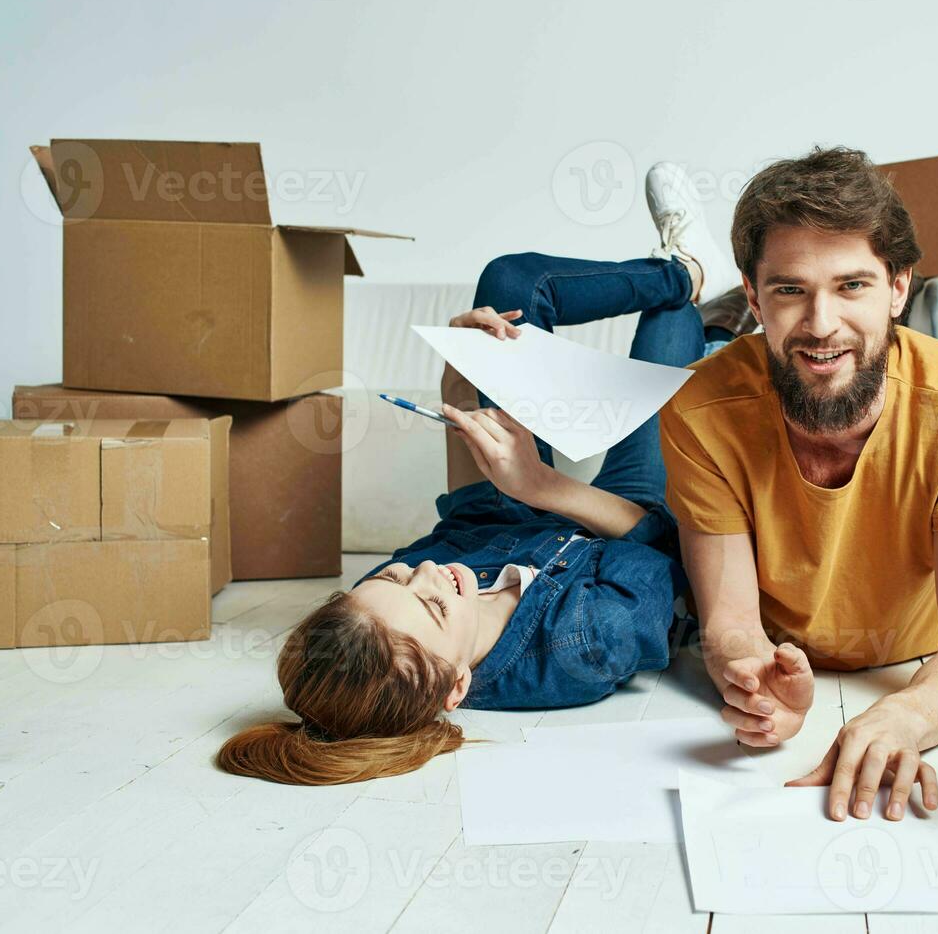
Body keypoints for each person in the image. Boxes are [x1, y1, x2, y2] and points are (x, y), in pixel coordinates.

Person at [217, 170, 742, 786]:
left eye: (398, 573)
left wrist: (457, 378)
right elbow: (670, 547)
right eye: (434, 601)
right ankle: (709, 324)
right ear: (457, 688)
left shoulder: (380, 621)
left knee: (508, 285)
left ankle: (686, 268)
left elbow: (467, 519)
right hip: (627, 521)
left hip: (518, 508)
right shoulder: (584, 648)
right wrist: (544, 486)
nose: (429, 572)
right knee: (669, 330)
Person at [658, 147, 938, 824]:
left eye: (851, 286)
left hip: (913, 657)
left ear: (897, 287)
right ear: (753, 296)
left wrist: (908, 714)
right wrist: (754, 678)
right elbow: (731, 621)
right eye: (790, 290)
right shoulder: (698, 409)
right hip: (787, 647)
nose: (821, 324)